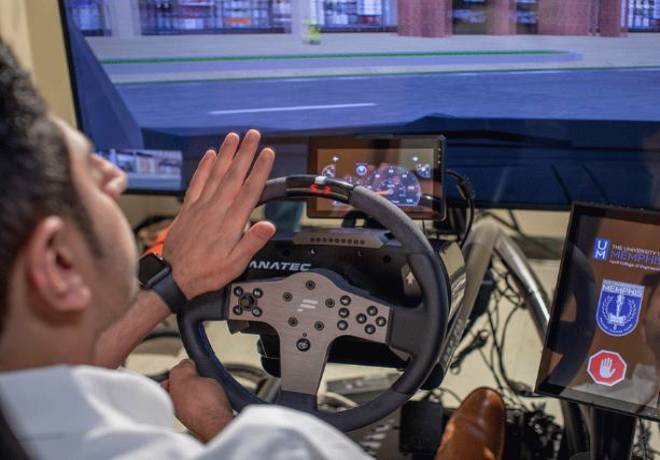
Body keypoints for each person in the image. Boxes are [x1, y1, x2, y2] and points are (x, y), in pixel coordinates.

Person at [0, 41, 370, 459]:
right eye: (88, 169)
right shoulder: (280, 447)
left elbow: (50, 386)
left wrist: (174, 281)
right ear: (59, 262)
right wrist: (217, 424)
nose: (115, 176)